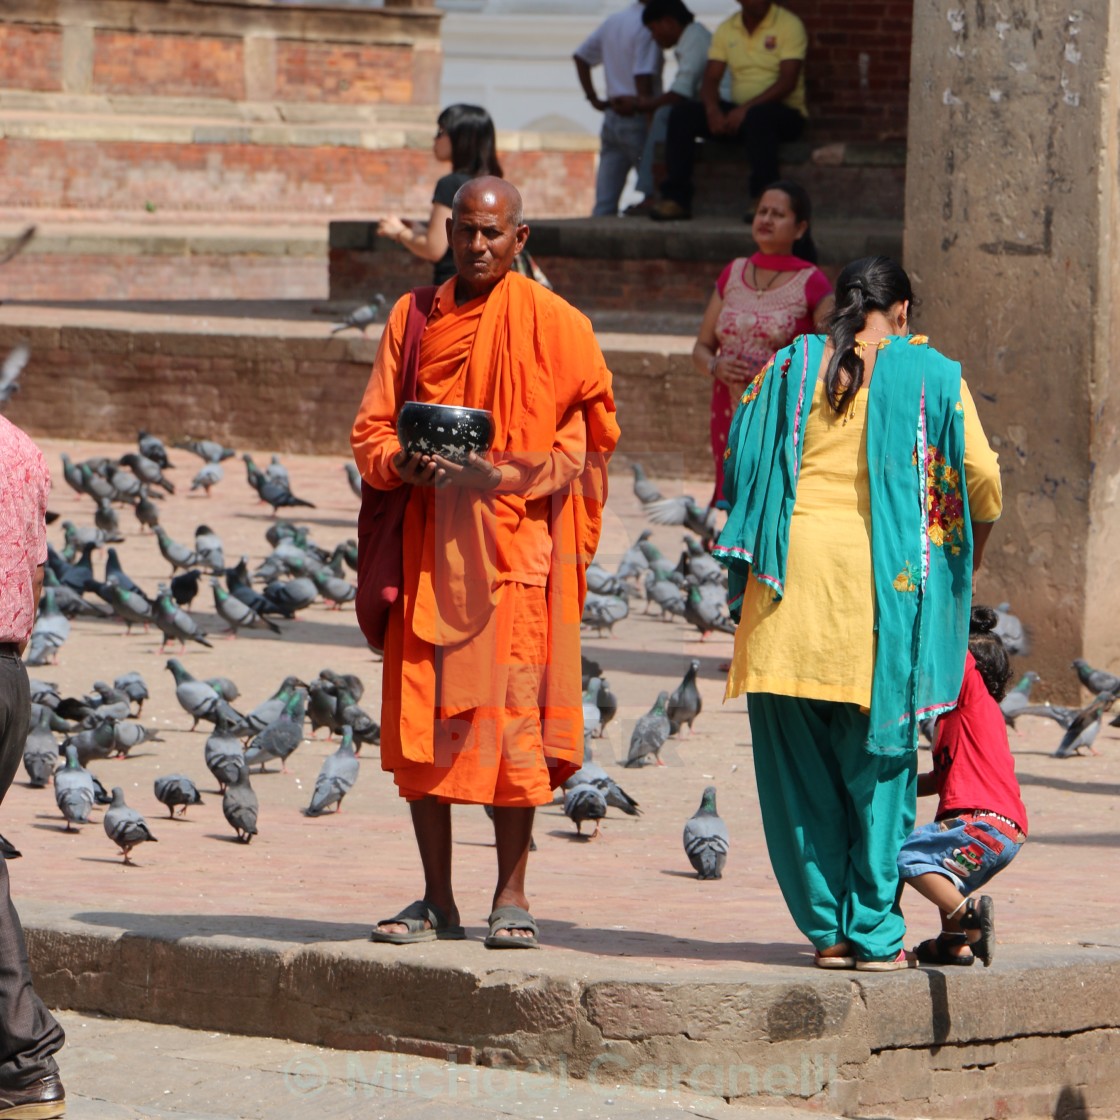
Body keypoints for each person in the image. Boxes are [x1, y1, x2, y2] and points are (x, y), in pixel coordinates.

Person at [713, 256, 1003, 970]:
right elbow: (983, 483)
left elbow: (738, 464)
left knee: (797, 783)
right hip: (881, 605)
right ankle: (875, 935)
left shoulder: (785, 371)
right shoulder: (933, 378)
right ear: (901, 313)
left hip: (782, 601)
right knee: (877, 782)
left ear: (837, 308)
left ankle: (830, 936)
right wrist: (956, 574)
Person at [351, 177, 619, 949]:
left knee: (513, 732)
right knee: (421, 731)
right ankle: (436, 899)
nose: (475, 246)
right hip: (426, 551)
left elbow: (583, 443)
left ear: (520, 239)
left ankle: (512, 894)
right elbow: (370, 432)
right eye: (465, 231)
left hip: (510, 560)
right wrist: (406, 462)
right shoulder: (411, 318)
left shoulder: (555, 325)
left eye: (492, 234)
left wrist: (495, 475)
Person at [899, 607, 1028, 968]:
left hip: (981, 822)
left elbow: (960, 657)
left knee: (911, 856)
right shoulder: (962, 723)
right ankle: (955, 944)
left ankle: (969, 916)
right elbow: (940, 782)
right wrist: (897, 787)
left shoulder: (973, 698)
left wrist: (948, 600)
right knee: (945, 870)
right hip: (1004, 830)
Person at [0, 415, 66, 1118]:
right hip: (9, 679)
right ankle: (22, 1064)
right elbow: (38, 576)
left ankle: (23, 1057)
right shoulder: (21, 447)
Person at [691, 180, 832, 507]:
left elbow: (832, 351)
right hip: (729, 411)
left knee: (773, 508)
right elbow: (700, 348)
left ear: (800, 229)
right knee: (735, 505)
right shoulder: (734, 272)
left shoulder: (812, 281)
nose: (766, 219)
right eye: (762, 212)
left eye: (777, 214)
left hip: (780, 415)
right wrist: (715, 366)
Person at [651, 0, 808, 222]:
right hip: (741, 114)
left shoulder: (789, 24)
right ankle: (676, 199)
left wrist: (745, 110)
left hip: (784, 114)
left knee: (758, 117)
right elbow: (711, 77)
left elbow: (788, 81)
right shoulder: (727, 28)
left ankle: (762, 200)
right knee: (682, 114)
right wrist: (712, 110)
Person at [377, 104, 504, 286]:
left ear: (460, 138)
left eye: (441, 132)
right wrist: (419, 230)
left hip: (454, 291)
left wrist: (398, 232)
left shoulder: (450, 185)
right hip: (488, 288)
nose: (435, 138)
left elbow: (434, 248)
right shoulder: (494, 185)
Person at [615, 0, 712, 217]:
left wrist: (639, 105)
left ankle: (650, 193)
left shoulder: (695, 39)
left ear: (668, 22)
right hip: (706, 107)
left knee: (665, 115)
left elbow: (680, 93)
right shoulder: (692, 39)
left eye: (653, 29)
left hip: (720, 107)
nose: (653, 36)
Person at [573, 1, 662, 217]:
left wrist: (593, 98)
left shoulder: (614, 20)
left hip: (612, 115)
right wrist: (652, 122)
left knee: (604, 202)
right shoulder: (650, 24)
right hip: (638, 114)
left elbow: (581, 56)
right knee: (653, 195)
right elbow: (643, 76)